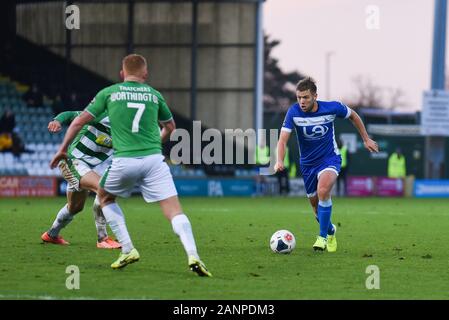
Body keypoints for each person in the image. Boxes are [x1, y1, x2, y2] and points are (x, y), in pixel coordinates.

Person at [50, 54, 212, 276]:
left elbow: (79, 121)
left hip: (118, 162)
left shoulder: (110, 96)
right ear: (145, 74)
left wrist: (59, 148)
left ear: (121, 74)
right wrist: (59, 124)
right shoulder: (153, 96)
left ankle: (120, 246)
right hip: (78, 160)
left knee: (90, 201)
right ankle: (193, 254)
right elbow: (171, 127)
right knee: (173, 211)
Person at [274, 78, 378, 252]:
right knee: (315, 206)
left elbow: (353, 115)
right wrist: (279, 160)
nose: (302, 101)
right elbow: (283, 140)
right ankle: (330, 230)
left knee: (323, 192)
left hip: (329, 159)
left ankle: (321, 238)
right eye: (299, 97)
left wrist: (366, 138)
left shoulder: (332, 107)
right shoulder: (293, 113)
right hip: (307, 164)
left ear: (315, 96)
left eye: (306, 97)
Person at [41, 110, 121, 249]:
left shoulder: (126, 129)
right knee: (103, 188)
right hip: (71, 161)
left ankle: (51, 235)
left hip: (87, 167)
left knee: (75, 207)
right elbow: (71, 115)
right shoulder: (103, 115)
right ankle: (102, 239)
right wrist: (57, 121)